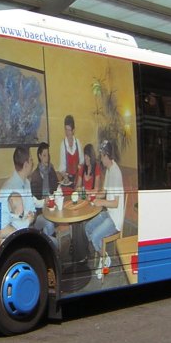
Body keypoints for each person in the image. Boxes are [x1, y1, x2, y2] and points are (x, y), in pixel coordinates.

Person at [85, 140, 125, 279]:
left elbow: (115, 203)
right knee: (88, 227)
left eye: (102, 156)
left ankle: (105, 259)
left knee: (96, 236)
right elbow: (104, 192)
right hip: (109, 213)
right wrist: (93, 194)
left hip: (115, 220)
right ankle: (102, 255)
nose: (100, 159)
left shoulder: (116, 173)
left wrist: (99, 201)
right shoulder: (109, 170)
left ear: (107, 155)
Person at [0, 146, 36, 238]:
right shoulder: (7, 190)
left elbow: (32, 210)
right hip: (15, 240)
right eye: (31, 160)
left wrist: (32, 216)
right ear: (26, 164)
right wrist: (26, 223)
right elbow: (2, 231)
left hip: (28, 232)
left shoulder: (27, 183)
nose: (33, 163)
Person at [29, 142, 58, 238]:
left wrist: (52, 197)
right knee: (49, 223)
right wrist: (44, 200)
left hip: (52, 207)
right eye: (44, 155)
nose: (47, 158)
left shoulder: (51, 170)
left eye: (48, 155)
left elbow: (56, 187)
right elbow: (34, 200)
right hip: (39, 213)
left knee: (47, 228)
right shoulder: (35, 176)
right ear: (40, 156)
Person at [58, 115, 82, 192]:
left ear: (73, 130)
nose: (67, 133)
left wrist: (79, 168)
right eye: (66, 129)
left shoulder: (77, 142)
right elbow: (62, 168)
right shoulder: (63, 144)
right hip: (67, 180)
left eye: (69, 130)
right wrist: (65, 176)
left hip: (78, 179)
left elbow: (82, 162)